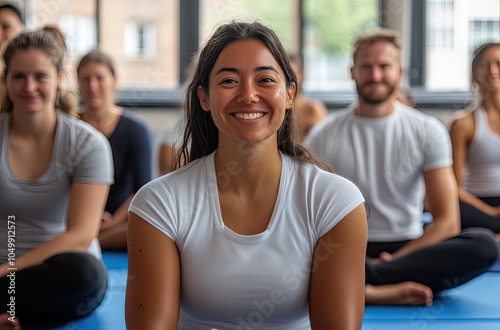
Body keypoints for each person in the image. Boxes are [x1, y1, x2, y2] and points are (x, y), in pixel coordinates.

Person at [126, 21, 367, 329]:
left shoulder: (335, 201)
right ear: (204, 97)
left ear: (290, 94)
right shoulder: (158, 203)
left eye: (265, 79)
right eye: (228, 81)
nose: (248, 95)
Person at [305, 28, 498, 306]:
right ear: (352, 72)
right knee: (293, 252)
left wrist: (394, 260)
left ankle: (363, 282)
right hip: (348, 247)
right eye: (366, 67)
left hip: (412, 247)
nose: (375, 75)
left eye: (384, 66)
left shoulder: (426, 130)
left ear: (399, 71)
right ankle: (375, 286)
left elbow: (447, 221)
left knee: (483, 245)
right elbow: (311, 215)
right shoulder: (323, 135)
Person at [0, 29, 112, 328]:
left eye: (40, 76)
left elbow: (80, 235)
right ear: (6, 79)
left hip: (55, 273)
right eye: (19, 76)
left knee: (86, 276)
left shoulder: (88, 144)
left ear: (59, 78)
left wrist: (7, 271)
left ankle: (10, 309)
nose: (29, 86)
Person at [77, 49, 153, 250]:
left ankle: (88, 241)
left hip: (120, 223)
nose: (93, 86)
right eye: (86, 79)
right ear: (78, 83)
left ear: (114, 81)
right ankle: (84, 238)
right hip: (77, 217)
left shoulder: (136, 130)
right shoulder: (70, 127)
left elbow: (143, 190)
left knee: (149, 231)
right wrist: (87, 218)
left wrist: (110, 223)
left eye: (100, 78)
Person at [449, 43, 500, 241]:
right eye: (484, 65)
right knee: (453, 213)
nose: (492, 71)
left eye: (498, 63)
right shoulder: (462, 123)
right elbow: (454, 186)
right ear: (474, 73)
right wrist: (491, 211)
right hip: (477, 203)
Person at [288, 53, 328, 142]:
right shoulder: (273, 110)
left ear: (300, 77)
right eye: (285, 76)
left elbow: (324, 143)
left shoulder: (312, 110)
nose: (289, 81)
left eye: (292, 75)